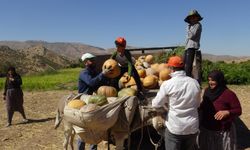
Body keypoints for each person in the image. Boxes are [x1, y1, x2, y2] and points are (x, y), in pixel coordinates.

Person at [152, 56, 201, 150]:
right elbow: (197, 104)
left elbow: (156, 104)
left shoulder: (167, 84)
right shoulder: (194, 83)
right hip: (192, 127)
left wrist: (166, 102)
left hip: (175, 128)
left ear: (171, 69)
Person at [199, 70, 242, 150]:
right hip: (206, 129)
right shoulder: (207, 91)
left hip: (222, 131)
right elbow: (204, 106)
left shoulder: (229, 94)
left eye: (213, 80)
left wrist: (227, 112)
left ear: (219, 80)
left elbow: (238, 110)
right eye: (209, 80)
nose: (210, 82)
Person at [77, 53, 111, 150]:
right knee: (84, 128)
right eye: (92, 60)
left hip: (92, 100)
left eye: (94, 59)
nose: (94, 61)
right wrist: (102, 74)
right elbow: (91, 83)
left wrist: (107, 76)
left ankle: (93, 148)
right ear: (86, 62)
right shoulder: (84, 73)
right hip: (83, 99)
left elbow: (100, 82)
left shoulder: (94, 72)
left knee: (95, 127)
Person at [184, 9, 203, 84]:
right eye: (191, 17)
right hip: (188, 46)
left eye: (194, 17)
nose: (192, 19)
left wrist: (187, 29)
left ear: (197, 18)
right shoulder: (191, 26)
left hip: (192, 46)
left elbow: (191, 36)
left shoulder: (197, 25)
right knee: (185, 64)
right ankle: (186, 79)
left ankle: (188, 81)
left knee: (189, 65)